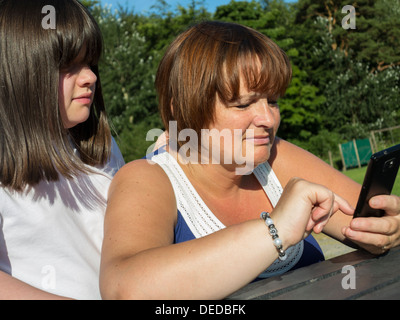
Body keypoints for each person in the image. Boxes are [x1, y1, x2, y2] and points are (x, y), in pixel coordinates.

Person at [100, 21, 400, 300]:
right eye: (242, 104)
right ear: (183, 109)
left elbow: (369, 224)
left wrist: (388, 229)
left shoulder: (274, 155)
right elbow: (123, 288)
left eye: (272, 101)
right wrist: (275, 231)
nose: (268, 119)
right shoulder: (149, 177)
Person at [0, 0, 125, 300]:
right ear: (23, 71)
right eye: (69, 66)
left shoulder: (100, 146)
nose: (91, 78)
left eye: (90, 63)